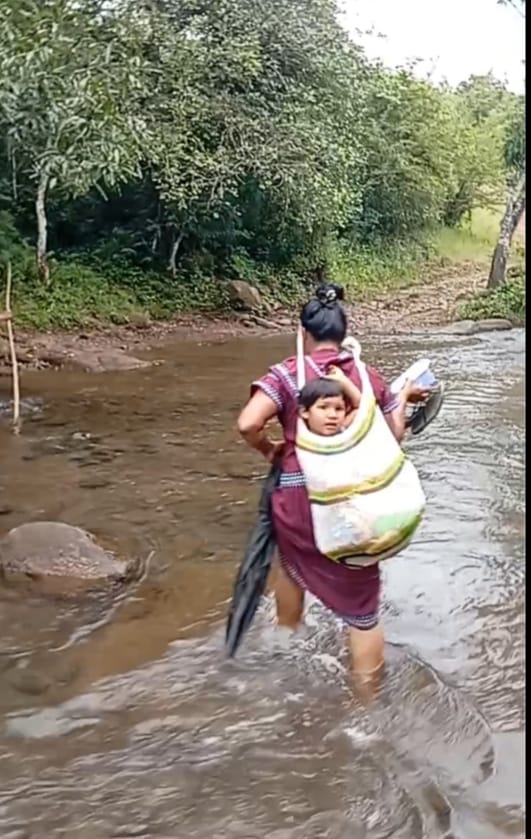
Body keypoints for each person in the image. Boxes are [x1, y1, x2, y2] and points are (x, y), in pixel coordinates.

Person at [237, 283, 427, 681]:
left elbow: (248, 423)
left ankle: (286, 648)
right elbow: (393, 434)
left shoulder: (287, 374)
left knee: (292, 567)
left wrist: (270, 450)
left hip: (297, 503)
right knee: (362, 610)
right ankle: (366, 703)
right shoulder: (367, 377)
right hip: (357, 508)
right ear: (344, 333)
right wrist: (405, 397)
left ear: (304, 333)